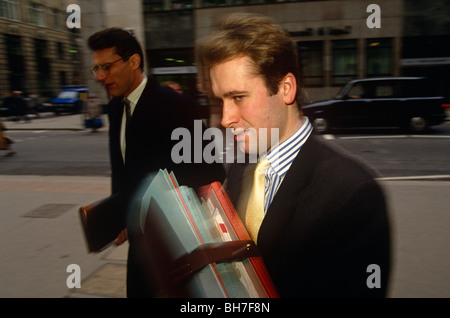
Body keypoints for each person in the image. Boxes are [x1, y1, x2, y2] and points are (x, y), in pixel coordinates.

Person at [196, 13, 391, 298]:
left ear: (286, 89)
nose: (225, 119)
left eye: (238, 97)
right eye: (220, 100)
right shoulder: (242, 165)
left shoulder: (353, 194)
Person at [87, 27, 225, 297]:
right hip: (138, 244)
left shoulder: (178, 107)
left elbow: (211, 173)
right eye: (96, 69)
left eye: (106, 67)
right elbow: (123, 168)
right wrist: (120, 214)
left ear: (134, 62)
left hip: (177, 243)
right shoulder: (116, 107)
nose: (100, 77)